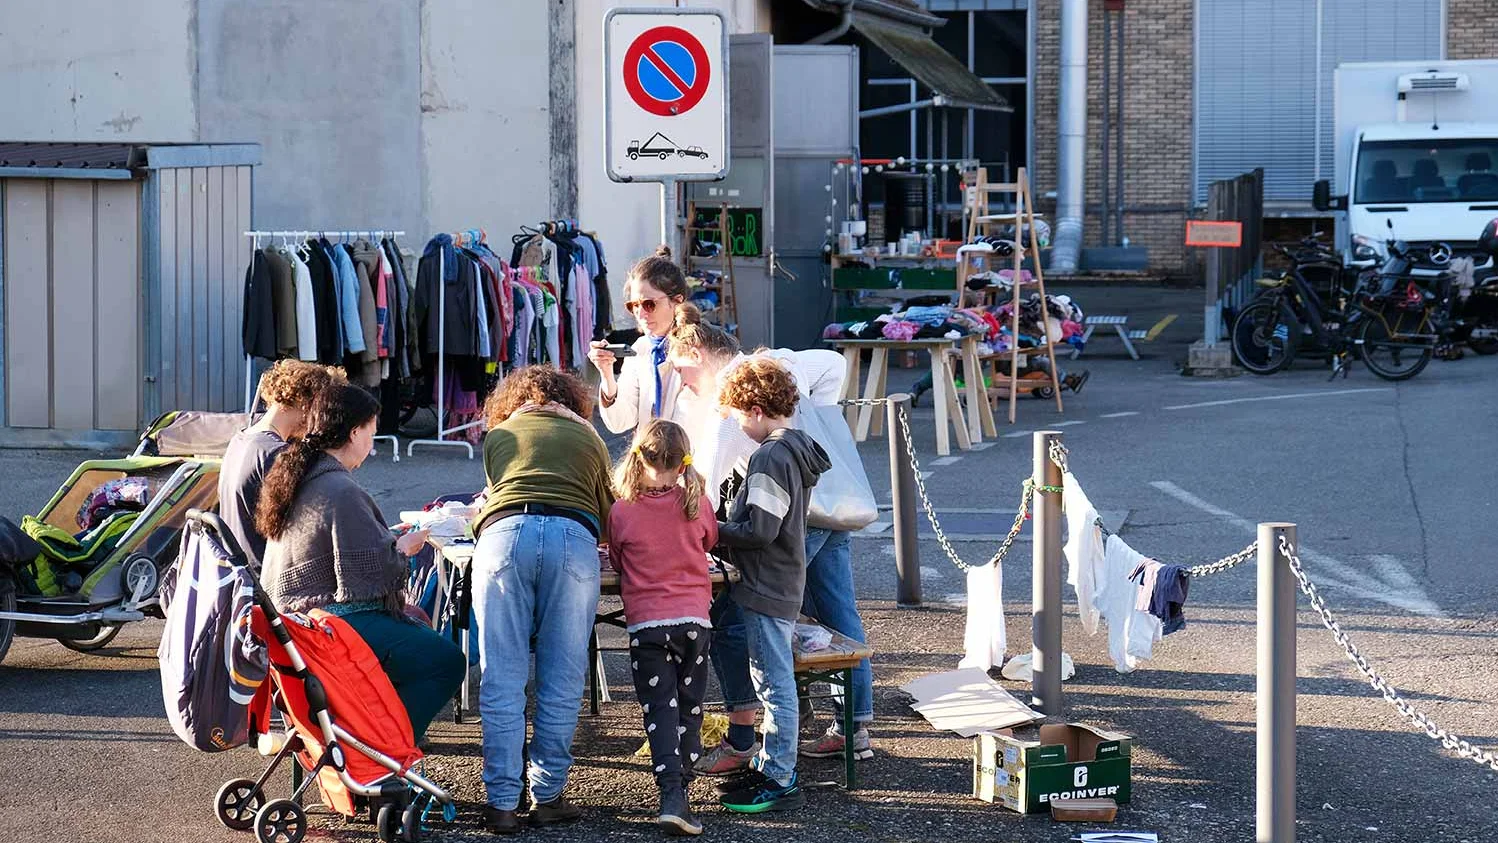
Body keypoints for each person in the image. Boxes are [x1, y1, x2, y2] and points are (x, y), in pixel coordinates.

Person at [666, 306, 879, 772]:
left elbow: (709, 484)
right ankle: (853, 727)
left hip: (786, 518)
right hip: (827, 504)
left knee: (737, 618)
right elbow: (834, 364)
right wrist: (814, 411)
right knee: (837, 611)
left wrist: (702, 529)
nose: (681, 382)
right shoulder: (775, 369)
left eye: (681, 370)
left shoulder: (732, 405)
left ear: (699, 354)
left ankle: (752, 737)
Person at [256, 383, 465, 745]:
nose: (372, 443)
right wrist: (404, 548)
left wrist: (389, 540)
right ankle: (383, 748)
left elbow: (346, 549)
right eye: (371, 432)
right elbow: (376, 571)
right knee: (446, 661)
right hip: (323, 627)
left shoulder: (301, 475)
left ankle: (369, 735)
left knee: (417, 623)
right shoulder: (340, 488)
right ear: (354, 432)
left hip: (289, 623)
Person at [469, 366, 615, 835]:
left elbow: (495, 494)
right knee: (562, 676)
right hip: (572, 539)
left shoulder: (499, 435)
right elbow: (608, 513)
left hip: (503, 538)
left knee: (502, 676)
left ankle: (501, 803)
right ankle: (547, 795)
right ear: (572, 400)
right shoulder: (588, 437)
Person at [710, 358, 830, 815]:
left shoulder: (769, 456)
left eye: (739, 416)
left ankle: (779, 775)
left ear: (756, 410)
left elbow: (760, 529)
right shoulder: (796, 448)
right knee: (774, 681)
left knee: (772, 684)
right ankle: (770, 764)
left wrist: (713, 530)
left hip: (765, 582)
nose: (739, 426)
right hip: (783, 577)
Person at [607, 419, 718, 836]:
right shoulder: (697, 502)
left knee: (660, 709)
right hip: (694, 621)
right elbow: (709, 542)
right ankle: (681, 792)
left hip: (648, 624)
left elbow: (617, 560)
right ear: (683, 460)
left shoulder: (622, 510)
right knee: (690, 706)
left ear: (638, 456)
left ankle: (672, 793)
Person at [219, 360, 344, 569]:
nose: (320, 421)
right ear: (306, 403)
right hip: (264, 575)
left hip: (238, 570)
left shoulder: (241, 439)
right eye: (320, 410)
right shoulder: (275, 454)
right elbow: (306, 530)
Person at [587, 246, 689, 434]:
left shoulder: (699, 350)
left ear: (677, 301)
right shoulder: (641, 348)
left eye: (649, 304)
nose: (640, 314)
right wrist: (607, 374)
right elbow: (620, 422)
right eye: (634, 305)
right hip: (649, 450)